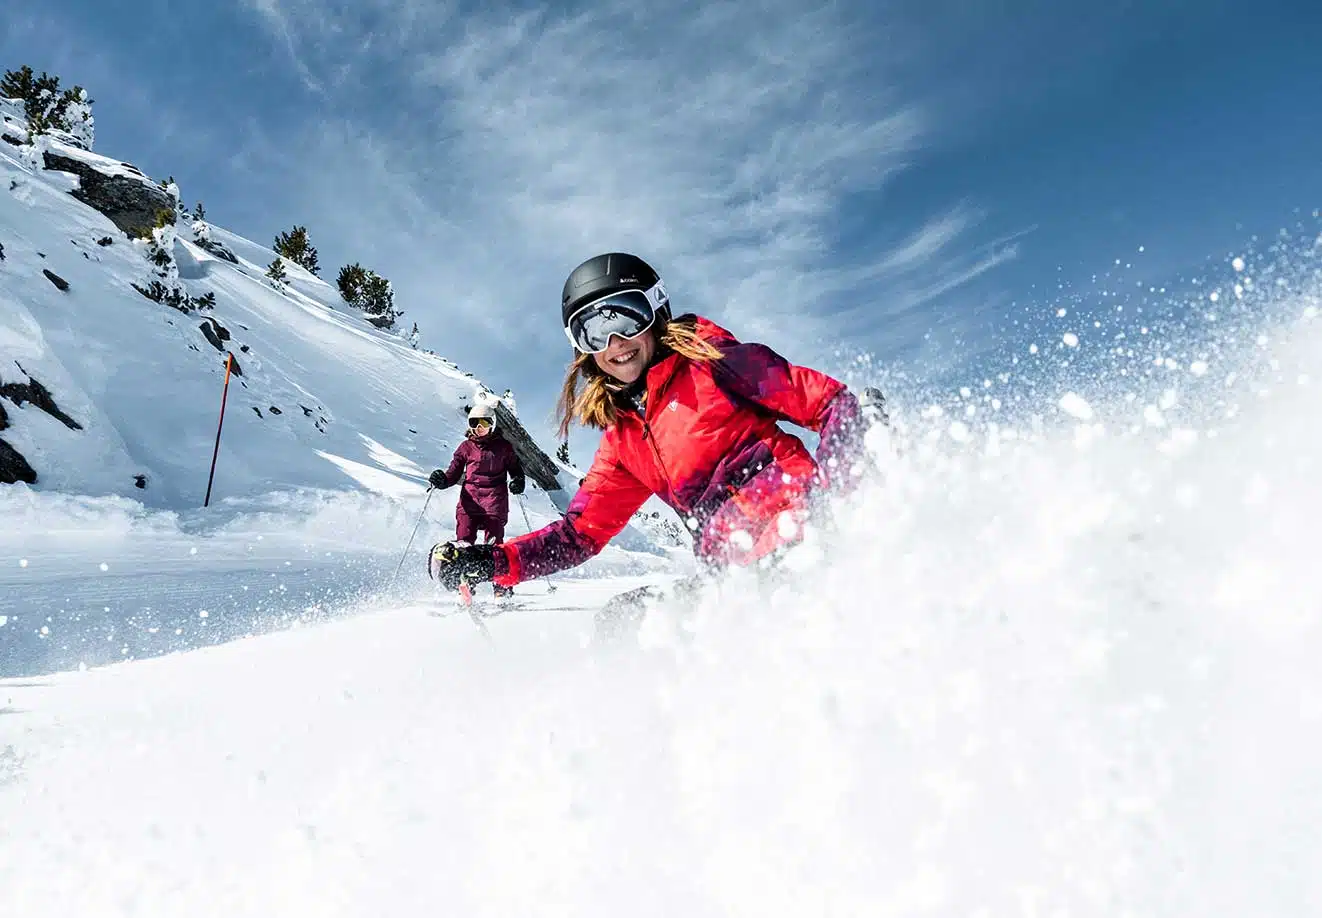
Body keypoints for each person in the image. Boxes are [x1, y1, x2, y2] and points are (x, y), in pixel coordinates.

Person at [431, 252, 868, 636]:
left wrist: (841, 504)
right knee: (626, 623)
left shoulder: (714, 363)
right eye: (592, 333)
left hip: (806, 544)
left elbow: (832, 404)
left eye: (624, 318)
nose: (614, 344)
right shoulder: (624, 439)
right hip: (736, 580)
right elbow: (577, 535)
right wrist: (492, 563)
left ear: (656, 312)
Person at [426, 401, 525, 598]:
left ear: (493, 424)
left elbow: (516, 470)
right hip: (469, 501)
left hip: (494, 500)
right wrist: (442, 480)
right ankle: (466, 585)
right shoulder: (465, 447)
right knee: (464, 543)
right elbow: (453, 474)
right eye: (474, 423)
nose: (479, 429)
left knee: (494, 545)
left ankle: (502, 588)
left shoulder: (503, 447)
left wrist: (518, 481)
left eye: (484, 423)